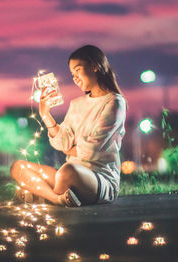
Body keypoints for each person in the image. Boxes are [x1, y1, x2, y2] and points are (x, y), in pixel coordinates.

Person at [10, 45, 127, 207]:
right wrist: (46, 115)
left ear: (95, 66)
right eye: (72, 74)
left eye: (78, 70)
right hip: (67, 174)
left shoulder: (114, 102)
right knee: (18, 167)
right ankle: (57, 198)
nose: (75, 78)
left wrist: (70, 150)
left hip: (98, 179)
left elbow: (93, 150)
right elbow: (62, 143)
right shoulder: (77, 104)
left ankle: (42, 195)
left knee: (67, 171)